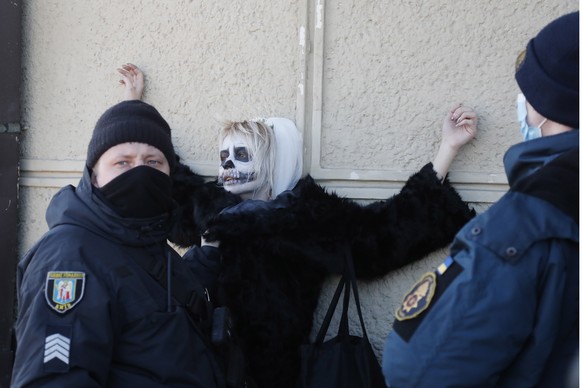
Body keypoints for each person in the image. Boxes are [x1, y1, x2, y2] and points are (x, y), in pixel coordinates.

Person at [118, 63, 478, 388]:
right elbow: (162, 180)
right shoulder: (210, 209)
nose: (228, 166)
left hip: (275, 375)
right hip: (204, 368)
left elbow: (382, 236)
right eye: (224, 156)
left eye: (241, 155)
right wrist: (135, 107)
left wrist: (447, 149)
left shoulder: (301, 219)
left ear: (269, 158)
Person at [382, 11, 579, 388]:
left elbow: (418, 371)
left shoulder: (523, 225)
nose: (521, 102)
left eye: (528, 92)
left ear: (551, 102)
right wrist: (446, 150)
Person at [11, 100, 227, 386]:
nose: (140, 172)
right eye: (122, 162)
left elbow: (147, 296)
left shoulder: (140, 238)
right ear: (94, 176)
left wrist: (208, 256)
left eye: (153, 162)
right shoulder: (69, 258)